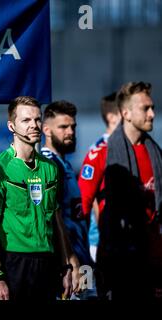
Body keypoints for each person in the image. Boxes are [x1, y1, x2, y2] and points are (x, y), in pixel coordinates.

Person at [0, 96, 80, 301]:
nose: (33, 125)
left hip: (48, 263)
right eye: (26, 120)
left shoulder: (51, 168)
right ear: (11, 126)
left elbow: (56, 219)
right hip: (14, 264)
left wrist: (66, 265)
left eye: (36, 119)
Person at [79, 82, 162, 300]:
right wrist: (77, 258)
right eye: (146, 108)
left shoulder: (156, 154)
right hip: (117, 261)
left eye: (152, 107)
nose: (152, 114)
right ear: (125, 113)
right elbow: (82, 207)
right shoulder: (101, 155)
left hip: (153, 263)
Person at [41, 100, 96, 299]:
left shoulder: (64, 164)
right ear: (46, 130)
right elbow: (54, 219)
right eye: (63, 127)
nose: (70, 131)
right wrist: (71, 263)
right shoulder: (49, 165)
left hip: (82, 259)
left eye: (73, 126)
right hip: (70, 265)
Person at [79, 92, 121, 264]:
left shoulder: (121, 146)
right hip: (100, 241)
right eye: (124, 112)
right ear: (112, 117)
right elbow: (90, 198)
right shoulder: (100, 150)